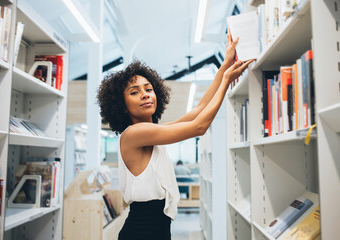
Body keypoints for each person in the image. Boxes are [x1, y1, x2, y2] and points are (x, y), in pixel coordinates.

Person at [96, 29, 254, 240]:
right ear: (122, 106)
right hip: (142, 231)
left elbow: (198, 111)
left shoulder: (151, 132)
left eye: (148, 89)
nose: (145, 94)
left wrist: (224, 66)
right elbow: (199, 127)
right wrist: (226, 80)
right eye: (134, 92)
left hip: (155, 228)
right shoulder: (134, 133)